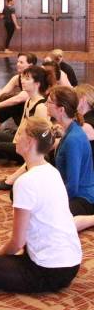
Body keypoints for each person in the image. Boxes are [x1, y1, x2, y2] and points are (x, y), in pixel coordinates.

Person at [0, 117, 81, 293]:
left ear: (30, 142)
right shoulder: (52, 172)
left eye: (20, 134)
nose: (16, 137)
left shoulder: (25, 182)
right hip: (72, 263)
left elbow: (17, 242)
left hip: (46, 270)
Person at [0, 66, 51, 164]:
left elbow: (41, 138)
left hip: (31, 148)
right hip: (22, 141)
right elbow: (22, 125)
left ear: (37, 84)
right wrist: (15, 141)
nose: (22, 81)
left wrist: (19, 145)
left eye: (27, 79)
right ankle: (5, 155)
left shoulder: (40, 107)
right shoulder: (28, 101)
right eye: (23, 78)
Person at [46, 86, 94, 216]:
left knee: (47, 213)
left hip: (84, 197)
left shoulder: (74, 138)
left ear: (61, 110)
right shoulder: (69, 130)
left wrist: (53, 200)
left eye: (49, 102)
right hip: (71, 191)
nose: (46, 104)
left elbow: (73, 186)